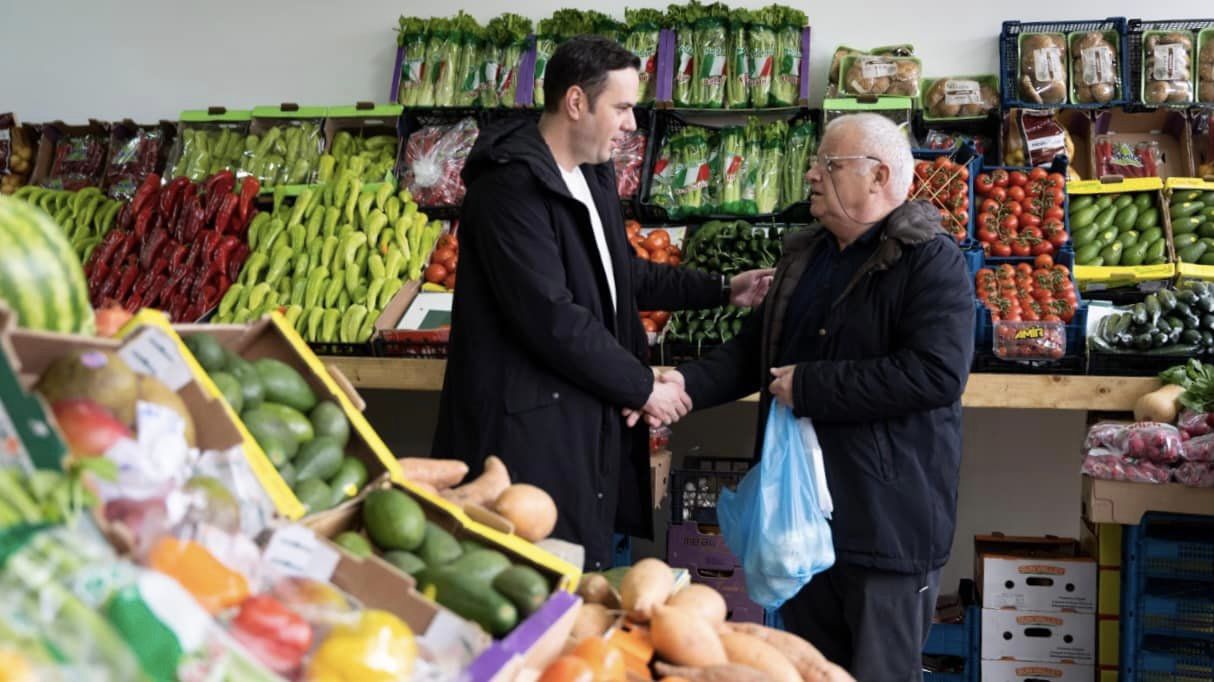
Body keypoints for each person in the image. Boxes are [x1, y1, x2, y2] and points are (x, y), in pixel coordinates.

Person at [648, 113, 975, 680]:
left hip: (885, 527)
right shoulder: (808, 256)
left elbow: (935, 373)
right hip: (803, 531)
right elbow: (758, 351)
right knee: (807, 670)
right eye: (815, 163)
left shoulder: (931, 260)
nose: (811, 175)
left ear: (877, 177)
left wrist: (813, 385)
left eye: (828, 164)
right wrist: (686, 384)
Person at [430, 35, 773, 571]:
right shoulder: (509, 188)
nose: (632, 125)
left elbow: (620, 272)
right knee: (533, 577)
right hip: (527, 431)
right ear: (575, 103)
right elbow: (550, 316)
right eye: (622, 107)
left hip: (581, 418)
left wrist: (724, 288)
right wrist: (642, 387)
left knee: (584, 573)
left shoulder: (591, 173)